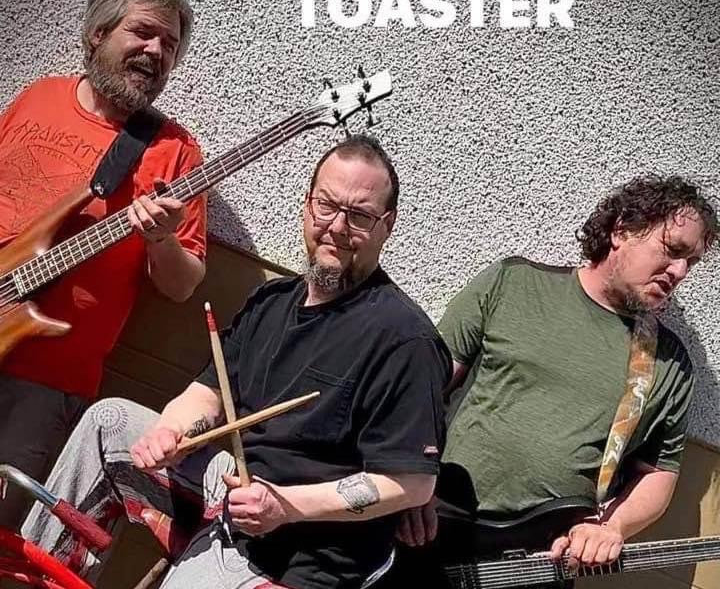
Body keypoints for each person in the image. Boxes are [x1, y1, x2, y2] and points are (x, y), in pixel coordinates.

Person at [22, 135, 451, 589]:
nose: (337, 227)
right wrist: (173, 433)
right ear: (307, 205)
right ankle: (35, 576)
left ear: (388, 225)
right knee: (110, 423)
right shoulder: (271, 302)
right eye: (327, 205)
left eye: (360, 215)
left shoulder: (405, 339)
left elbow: (411, 483)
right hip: (234, 488)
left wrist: (285, 506)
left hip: (302, 551)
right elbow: (208, 393)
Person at [387, 175, 718, 588]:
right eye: (672, 250)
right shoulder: (514, 284)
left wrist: (610, 528)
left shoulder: (667, 362)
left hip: (541, 561)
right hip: (435, 528)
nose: (680, 271)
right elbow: (422, 392)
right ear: (622, 230)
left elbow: (657, 473)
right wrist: (407, 481)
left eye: (691, 263)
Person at [0, 0, 207, 529]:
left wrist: (160, 237)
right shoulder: (39, 97)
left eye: (170, 44)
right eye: (143, 32)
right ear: (97, 34)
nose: (156, 50)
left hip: (44, 385)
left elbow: (183, 284)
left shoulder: (174, 151)